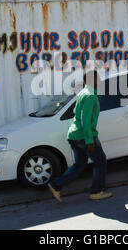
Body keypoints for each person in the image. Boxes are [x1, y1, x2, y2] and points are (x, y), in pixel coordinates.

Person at [48, 69, 112, 202]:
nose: (100, 80)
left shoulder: (83, 93)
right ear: (92, 80)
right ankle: (97, 191)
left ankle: (56, 185)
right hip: (84, 135)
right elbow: (85, 119)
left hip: (74, 135)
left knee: (80, 164)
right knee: (101, 161)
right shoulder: (90, 95)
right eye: (97, 77)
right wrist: (89, 140)